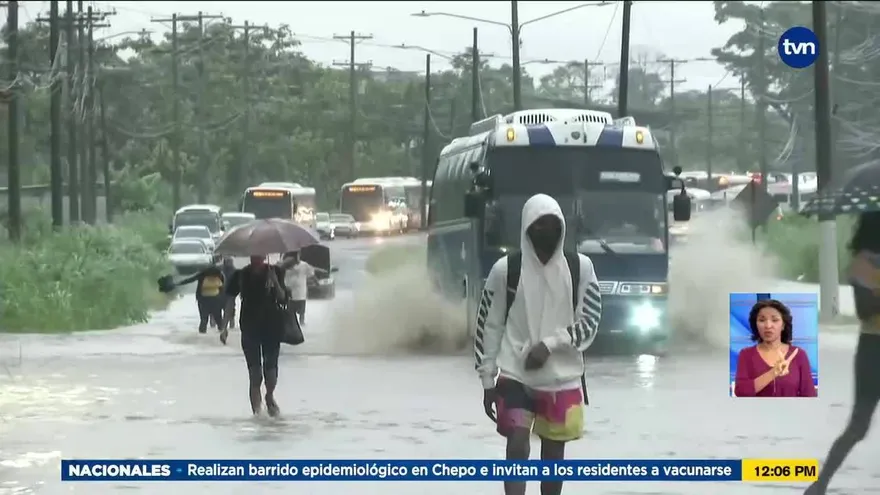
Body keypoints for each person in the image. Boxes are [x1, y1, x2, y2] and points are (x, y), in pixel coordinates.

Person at [474, 194, 602, 495]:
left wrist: (550, 345)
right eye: (539, 225)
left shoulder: (580, 268)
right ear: (527, 228)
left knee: (553, 458)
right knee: (517, 446)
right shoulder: (505, 270)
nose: (547, 232)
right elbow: (488, 326)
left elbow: (590, 322)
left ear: (563, 227)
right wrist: (487, 380)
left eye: (553, 225)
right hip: (515, 374)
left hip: (562, 379)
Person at [806, 212, 880, 494]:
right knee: (859, 425)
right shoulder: (863, 264)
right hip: (873, 351)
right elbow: (864, 310)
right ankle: (821, 483)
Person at [223, 255, 290, 417]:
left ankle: (269, 395)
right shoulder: (240, 275)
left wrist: (274, 282)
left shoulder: (276, 271)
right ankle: (257, 416)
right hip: (249, 327)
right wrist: (224, 327)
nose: (257, 258)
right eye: (254, 254)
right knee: (255, 374)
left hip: (272, 327)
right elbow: (230, 301)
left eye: (260, 255)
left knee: (271, 371)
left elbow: (283, 298)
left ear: (264, 255)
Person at [734, 298, 817, 398]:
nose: (768, 326)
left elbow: (809, 395)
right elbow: (740, 392)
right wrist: (773, 372)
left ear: (783, 325)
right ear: (756, 325)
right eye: (762, 320)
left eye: (774, 320)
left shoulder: (799, 355)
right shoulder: (746, 354)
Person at [175, 255, 227, 334]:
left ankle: (203, 332)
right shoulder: (219, 274)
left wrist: (177, 284)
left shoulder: (202, 274)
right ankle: (222, 332)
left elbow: (190, 280)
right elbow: (223, 287)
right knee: (218, 318)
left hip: (203, 299)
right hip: (216, 298)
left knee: (203, 319)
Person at [281, 250, 328, 326]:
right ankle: (296, 326)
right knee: (293, 315)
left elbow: (312, 274)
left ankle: (299, 326)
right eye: (297, 255)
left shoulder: (303, 265)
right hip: (291, 294)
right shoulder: (285, 266)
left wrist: (317, 283)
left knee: (299, 314)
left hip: (299, 294)